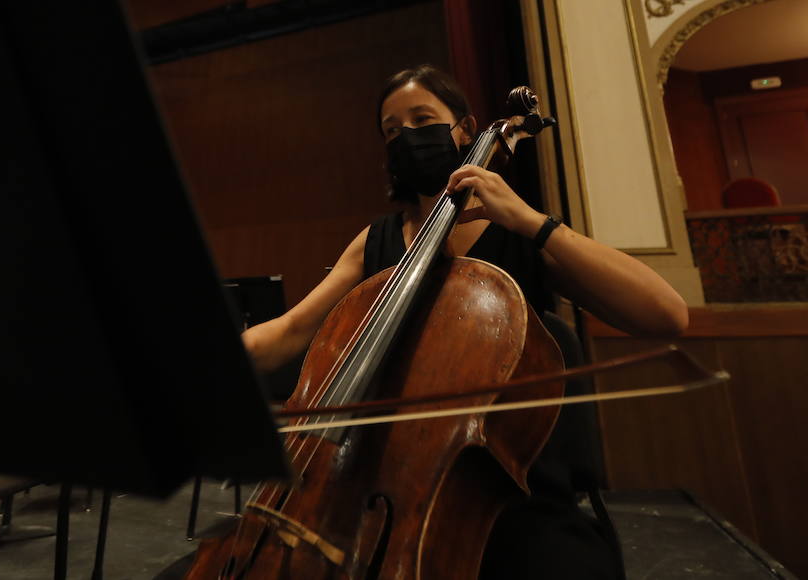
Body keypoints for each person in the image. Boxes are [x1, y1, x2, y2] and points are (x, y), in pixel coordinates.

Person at [241, 64, 688, 578]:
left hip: (509, 499)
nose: (408, 137)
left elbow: (665, 315)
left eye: (423, 118)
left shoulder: (520, 233)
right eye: (392, 130)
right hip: (377, 489)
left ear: (467, 128)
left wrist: (529, 221)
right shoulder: (376, 242)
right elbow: (292, 331)